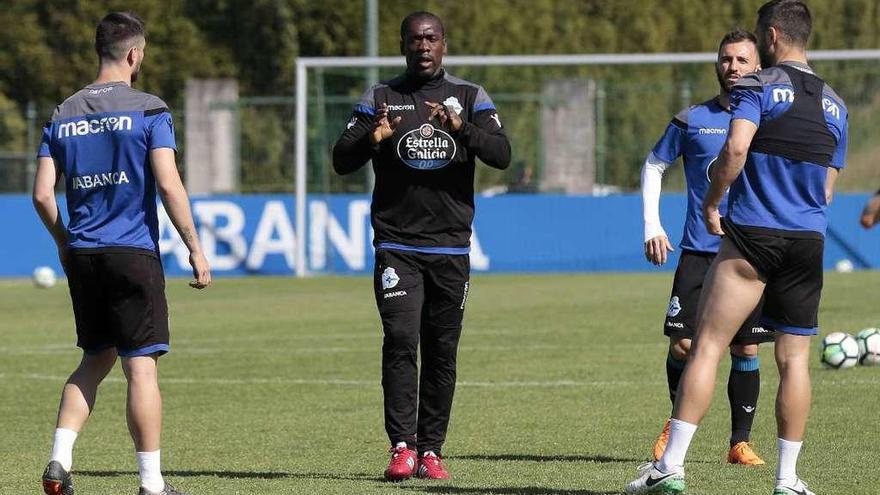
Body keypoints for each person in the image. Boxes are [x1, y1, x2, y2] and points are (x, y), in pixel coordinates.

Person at [626, 1, 847, 494]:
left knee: (707, 346)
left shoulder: (759, 87)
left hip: (753, 236)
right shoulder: (836, 103)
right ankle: (788, 480)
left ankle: (670, 467)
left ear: (771, 36)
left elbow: (736, 149)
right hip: (808, 240)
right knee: (794, 361)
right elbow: (829, 187)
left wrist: (712, 202)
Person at [33, 12, 211, 495]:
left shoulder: (61, 113)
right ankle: (152, 484)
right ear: (134, 54)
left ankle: (58, 460)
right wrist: (195, 248)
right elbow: (169, 184)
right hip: (132, 252)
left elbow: (44, 196)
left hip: (85, 255)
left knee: (94, 359)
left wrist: (65, 242)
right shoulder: (150, 109)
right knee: (141, 367)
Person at [332, 11, 510, 482]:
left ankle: (431, 450)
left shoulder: (470, 97)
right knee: (400, 341)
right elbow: (340, 159)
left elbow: (501, 154)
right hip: (397, 246)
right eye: (415, 39)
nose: (423, 46)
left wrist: (460, 130)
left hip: (451, 249)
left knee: (441, 350)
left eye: (431, 39)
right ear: (403, 45)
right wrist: (374, 138)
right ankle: (402, 447)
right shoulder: (381, 97)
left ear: (444, 45)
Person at [641, 29, 770, 466]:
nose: (732, 67)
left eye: (741, 60)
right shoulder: (693, 119)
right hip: (698, 250)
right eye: (726, 60)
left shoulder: (770, 120)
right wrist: (651, 225)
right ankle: (676, 424)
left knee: (745, 348)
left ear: (758, 67)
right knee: (683, 346)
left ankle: (739, 443)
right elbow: (655, 163)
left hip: (750, 251)